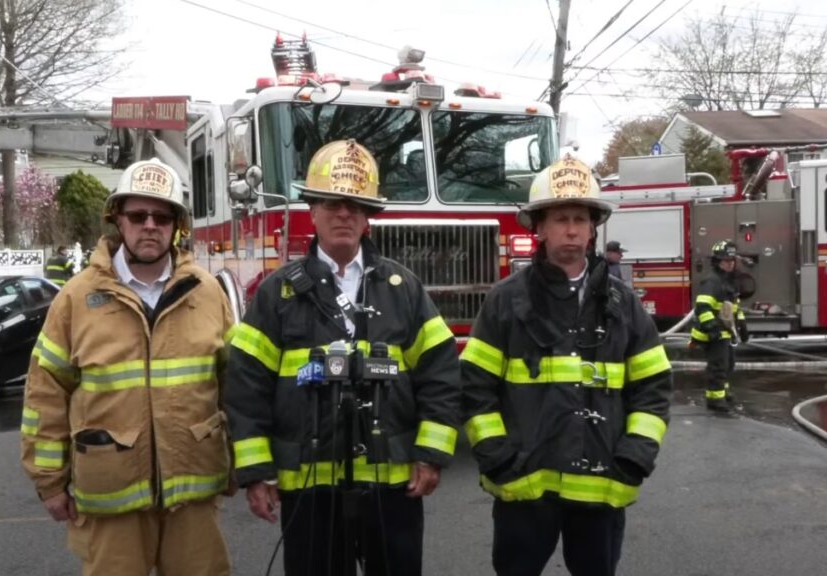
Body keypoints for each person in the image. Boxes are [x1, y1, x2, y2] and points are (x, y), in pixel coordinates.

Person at [225, 139, 461, 576]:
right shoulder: (279, 293)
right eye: (332, 203)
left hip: (392, 485)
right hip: (309, 486)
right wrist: (256, 472)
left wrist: (430, 454)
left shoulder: (403, 288)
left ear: (368, 216)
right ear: (312, 211)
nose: (344, 214)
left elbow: (441, 374)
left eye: (355, 205)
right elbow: (246, 386)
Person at [20, 158, 235, 576]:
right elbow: (45, 395)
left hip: (192, 492)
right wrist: (49, 481)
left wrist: (248, 466)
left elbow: (235, 385)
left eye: (162, 216)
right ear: (118, 219)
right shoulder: (76, 299)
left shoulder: (208, 293)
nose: (149, 226)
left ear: (177, 226)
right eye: (138, 216)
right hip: (110, 496)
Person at [461, 155, 673, 576]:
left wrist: (634, 456)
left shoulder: (623, 303)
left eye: (580, 219)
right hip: (524, 486)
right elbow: (474, 386)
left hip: (603, 483)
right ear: (540, 227)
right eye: (560, 219)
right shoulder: (505, 300)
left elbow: (653, 386)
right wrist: (497, 457)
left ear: (593, 228)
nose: (572, 229)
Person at [690, 239, 748, 412]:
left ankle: (723, 392)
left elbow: (734, 306)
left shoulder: (729, 280)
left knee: (728, 364)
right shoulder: (712, 281)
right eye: (726, 260)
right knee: (718, 366)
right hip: (713, 332)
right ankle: (714, 399)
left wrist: (742, 323)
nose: (730, 264)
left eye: (732, 260)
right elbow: (702, 307)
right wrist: (712, 327)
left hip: (726, 331)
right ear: (717, 261)